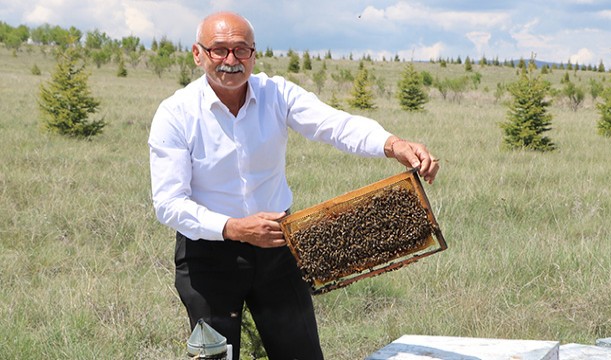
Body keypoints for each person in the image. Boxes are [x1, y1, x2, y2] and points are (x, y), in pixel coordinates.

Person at [148, 11, 439, 360]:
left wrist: (393, 144)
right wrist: (234, 228)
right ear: (198, 54)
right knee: (215, 356)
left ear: (254, 54)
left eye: (241, 50)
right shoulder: (175, 113)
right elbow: (168, 202)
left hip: (277, 249)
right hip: (208, 255)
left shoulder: (277, 94)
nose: (231, 60)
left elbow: (334, 124)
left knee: (300, 353)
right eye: (219, 50)